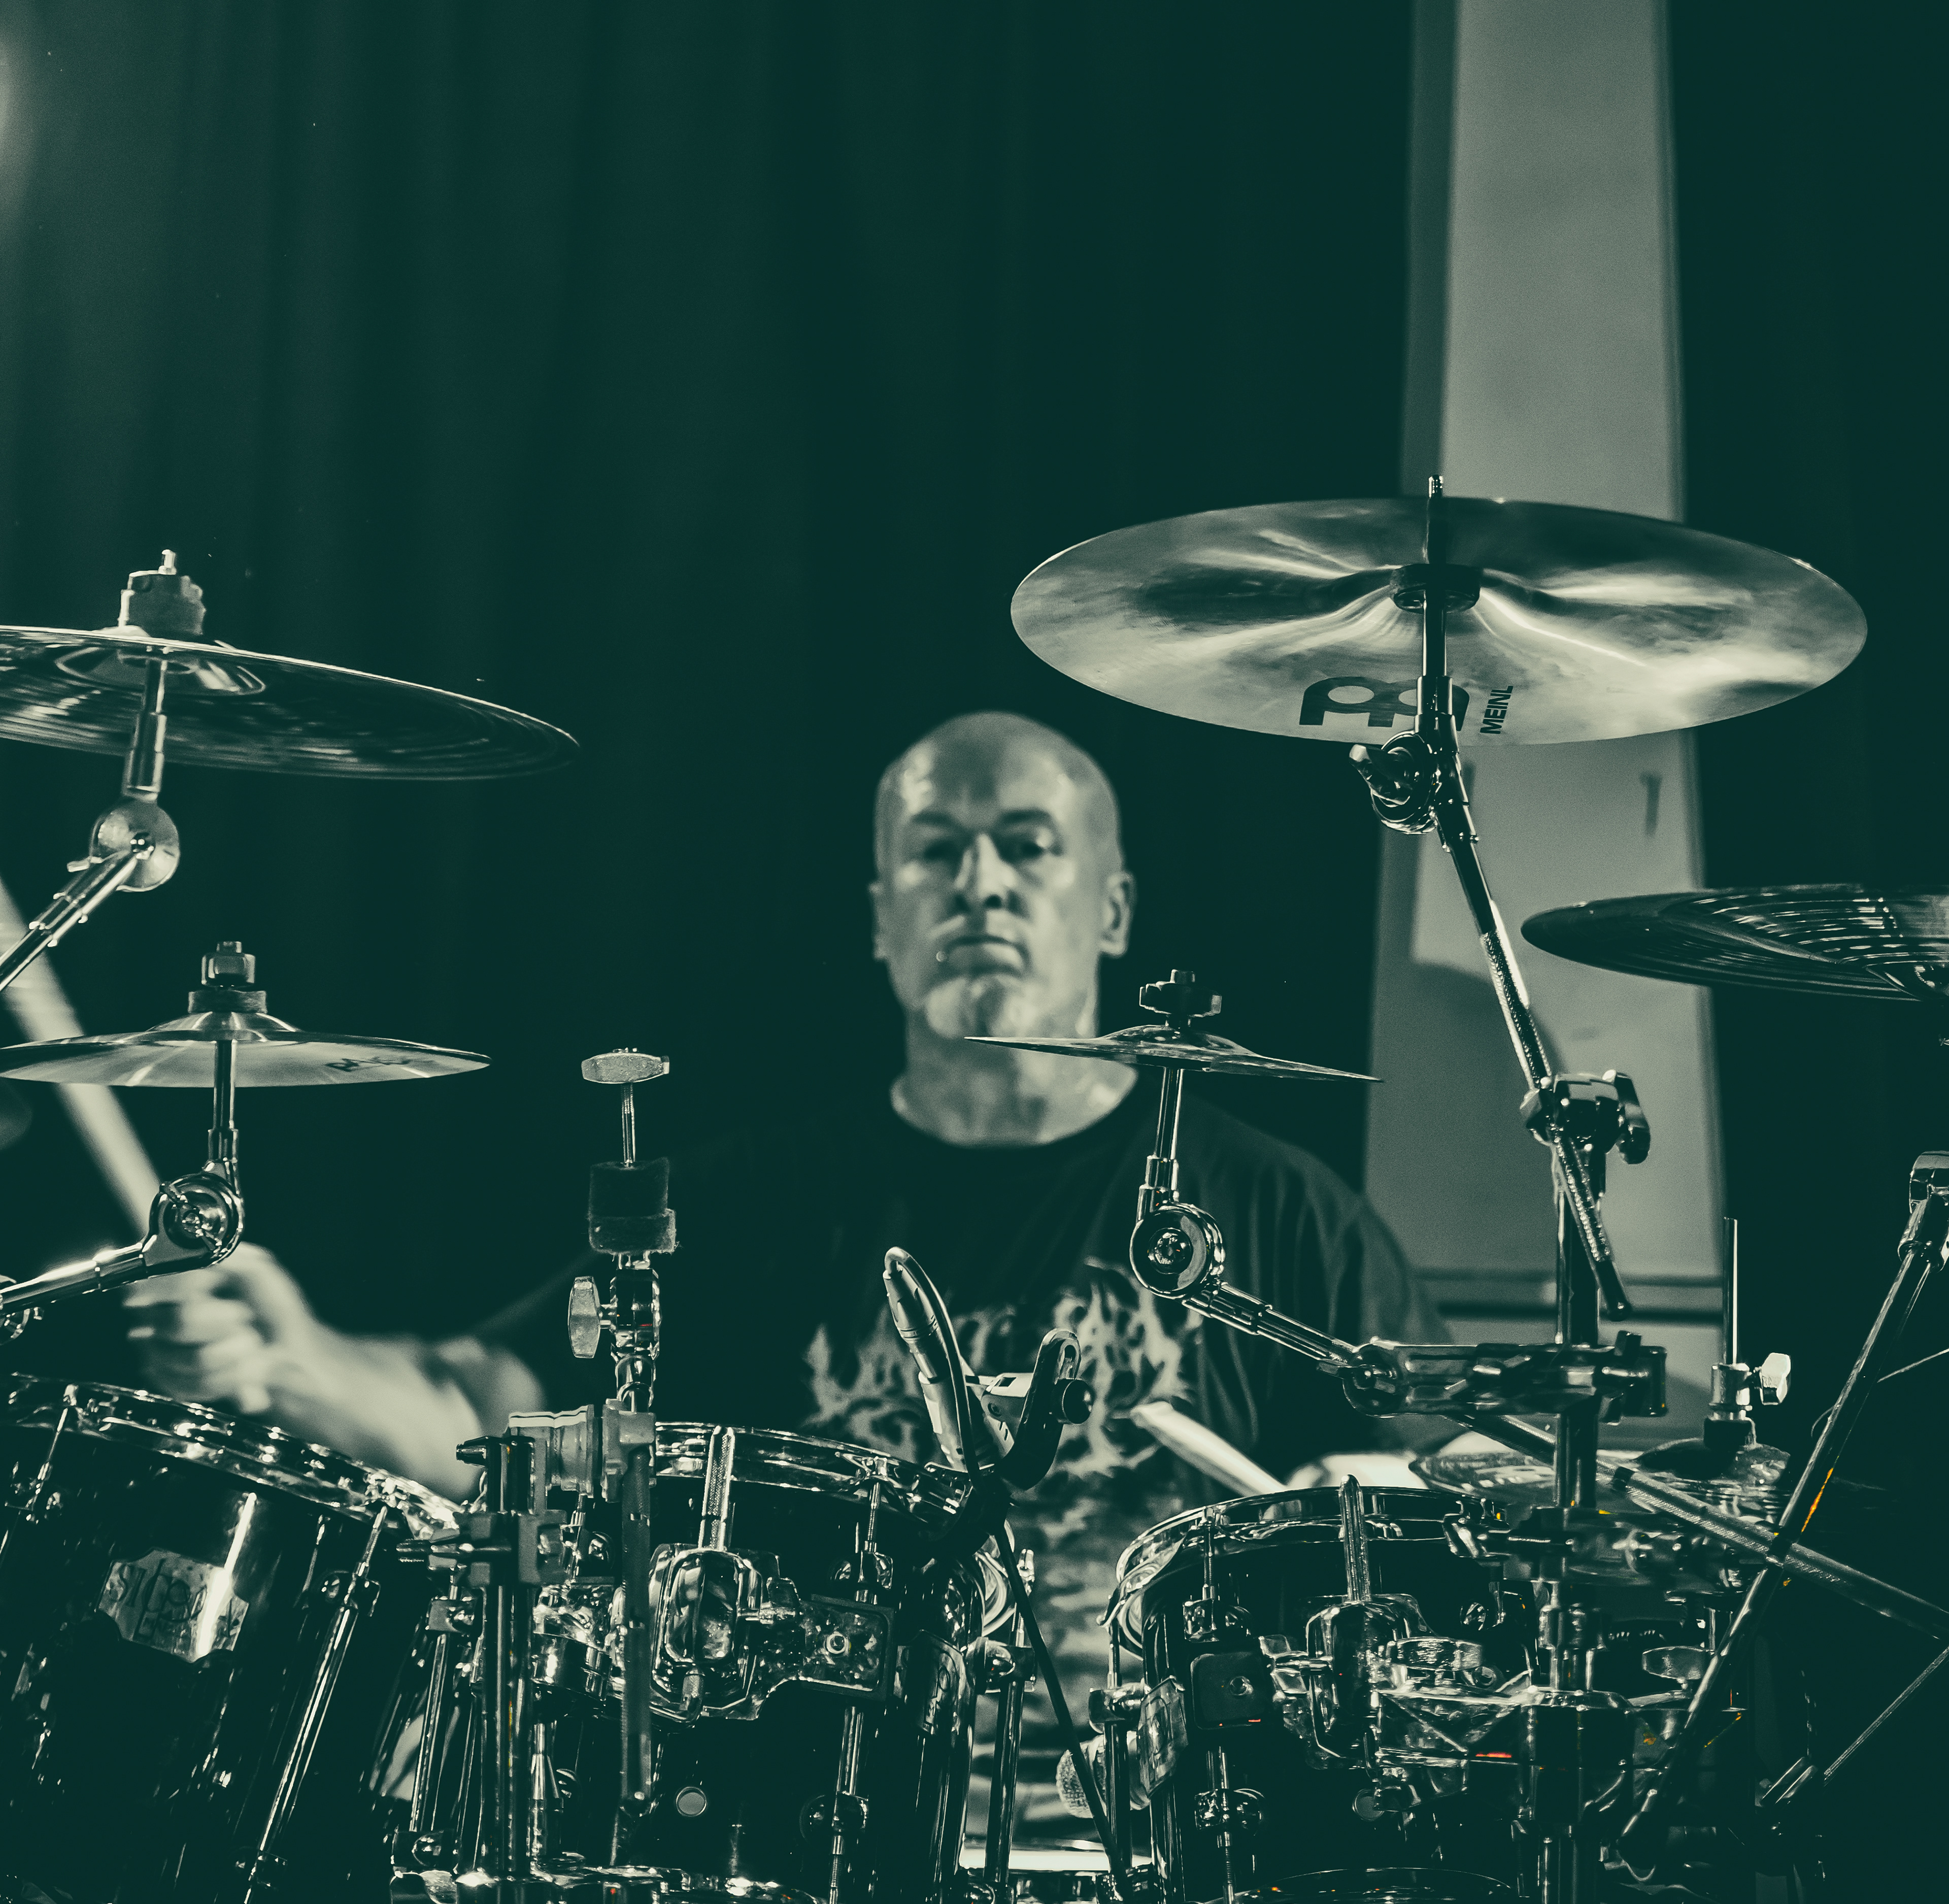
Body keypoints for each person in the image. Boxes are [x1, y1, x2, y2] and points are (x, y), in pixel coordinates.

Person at [122, 710, 1445, 1818]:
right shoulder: (753, 1202)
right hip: (838, 1844)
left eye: (1028, 846)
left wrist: (1387, 1510)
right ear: (882, 918)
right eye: (937, 850)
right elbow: (489, 1414)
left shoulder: (1271, 1212)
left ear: (1113, 909)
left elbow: (1449, 1489)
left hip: (1176, 1847)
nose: (980, 883)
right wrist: (293, 1362)